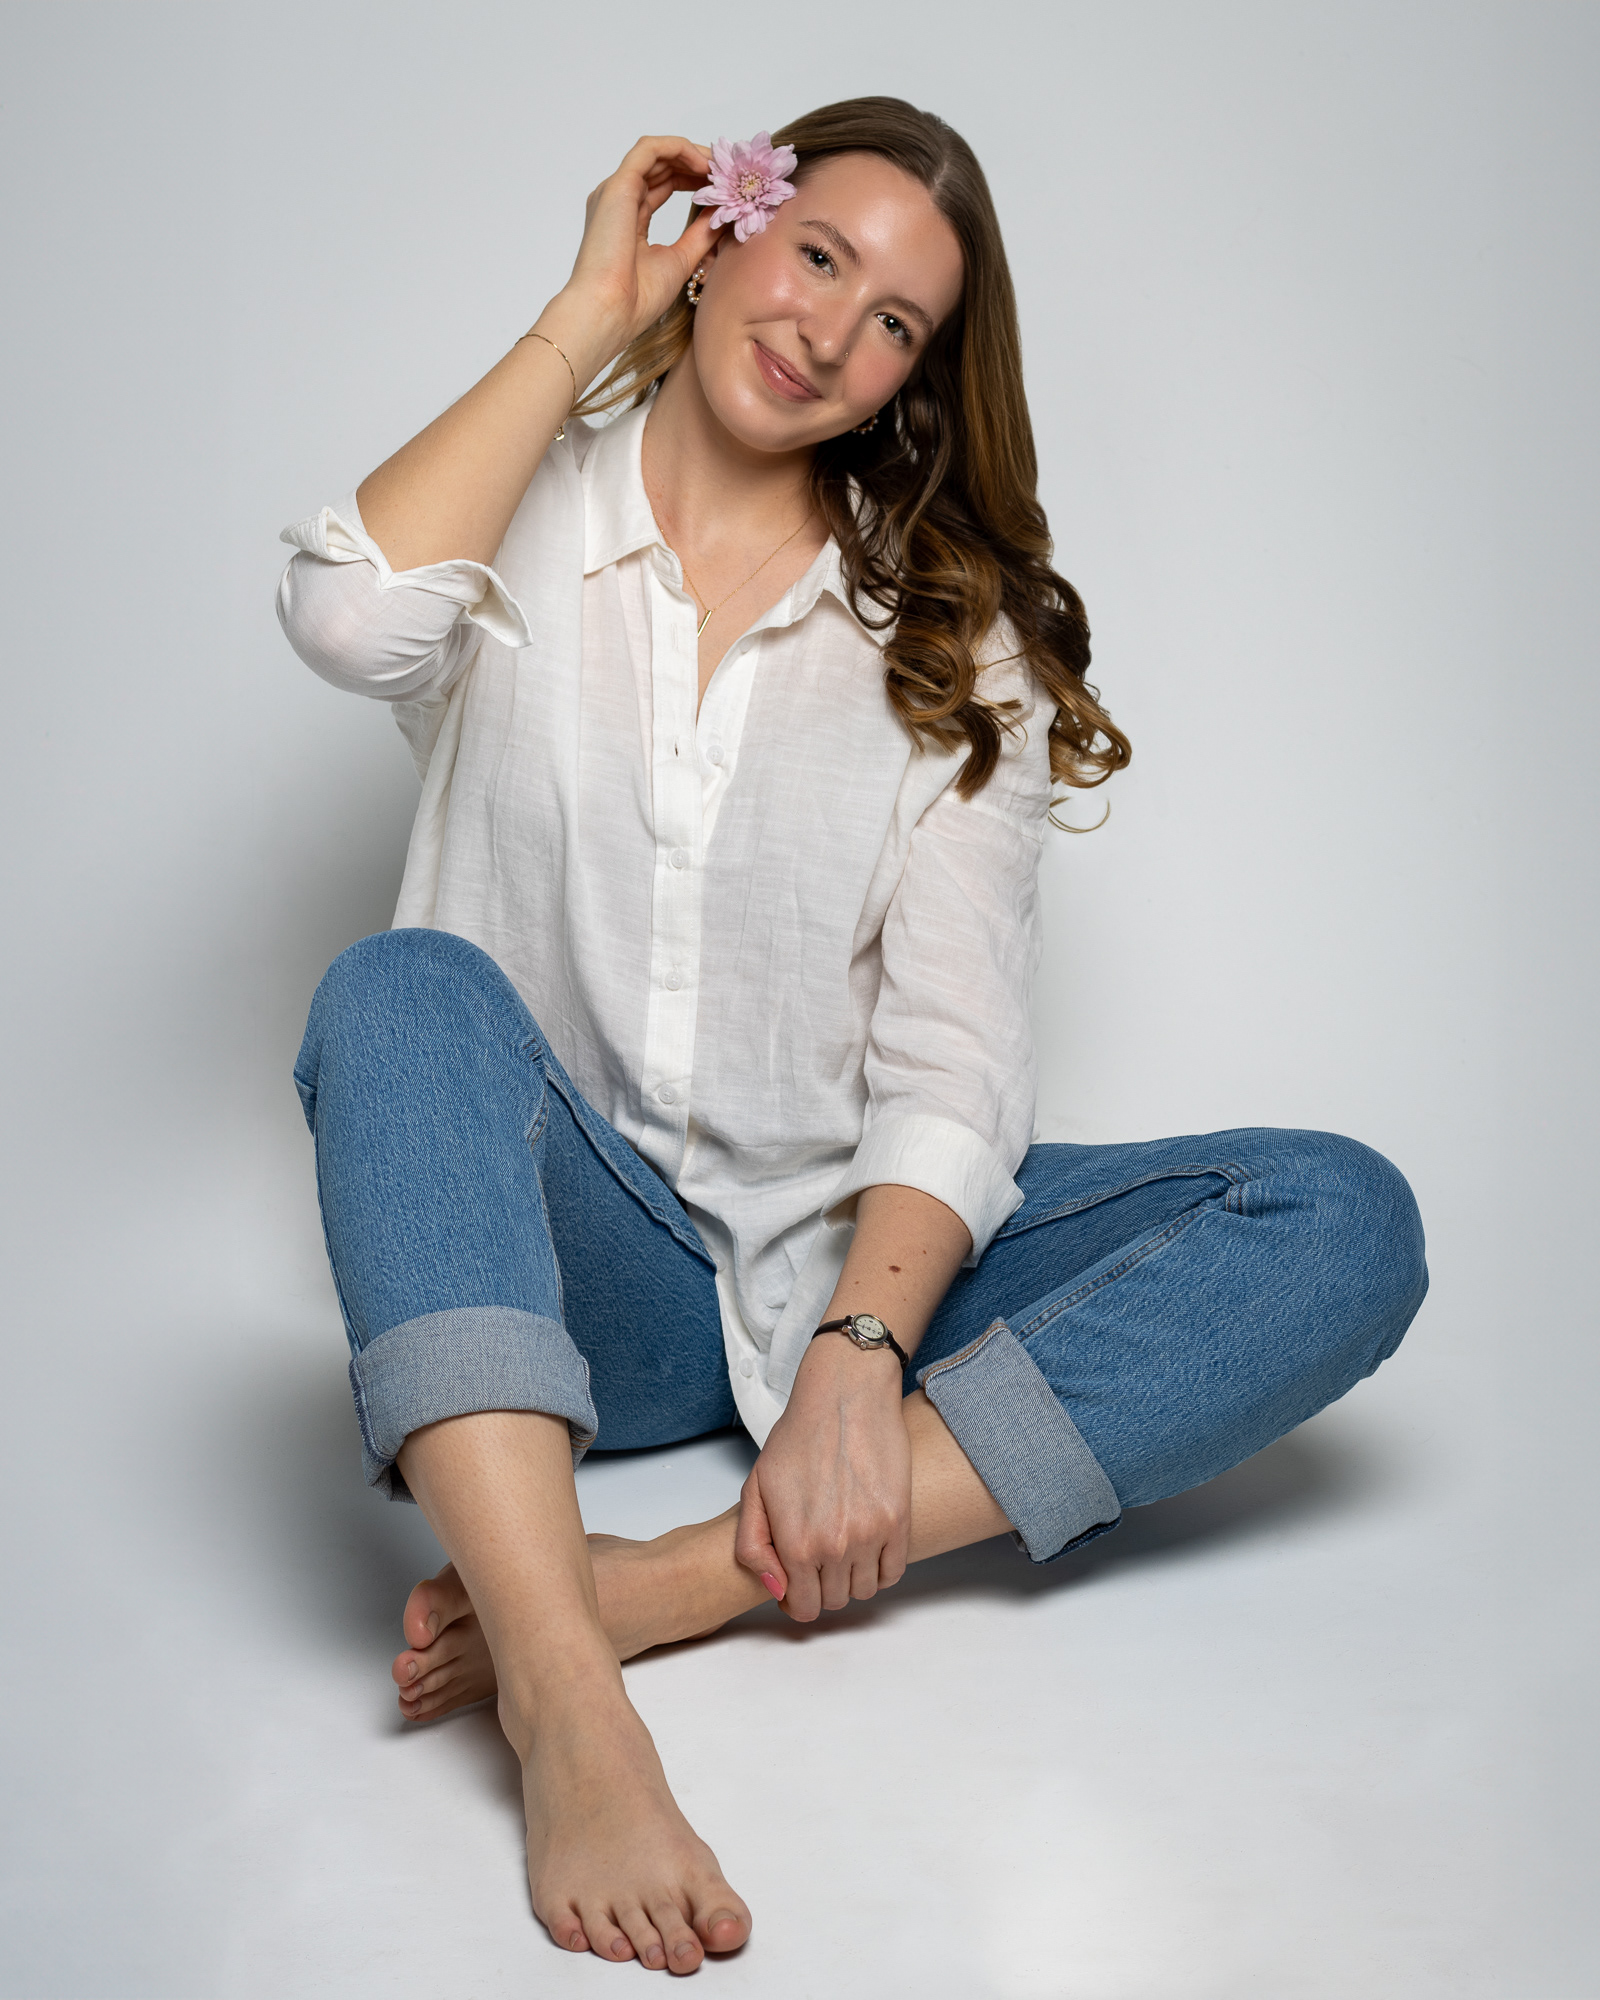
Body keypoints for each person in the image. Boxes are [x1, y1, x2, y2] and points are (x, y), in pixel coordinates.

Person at [276, 97, 1428, 1976]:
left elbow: (958, 1055)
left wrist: (859, 1353)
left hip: (841, 1257)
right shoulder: (528, 515)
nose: (828, 329)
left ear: (915, 382)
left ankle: (667, 1582)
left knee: (1341, 1218)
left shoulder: (943, 635)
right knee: (393, 993)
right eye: (817, 253)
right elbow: (341, 616)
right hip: (584, 1286)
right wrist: (585, 311)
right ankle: (572, 1705)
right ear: (725, 230)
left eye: (894, 320)